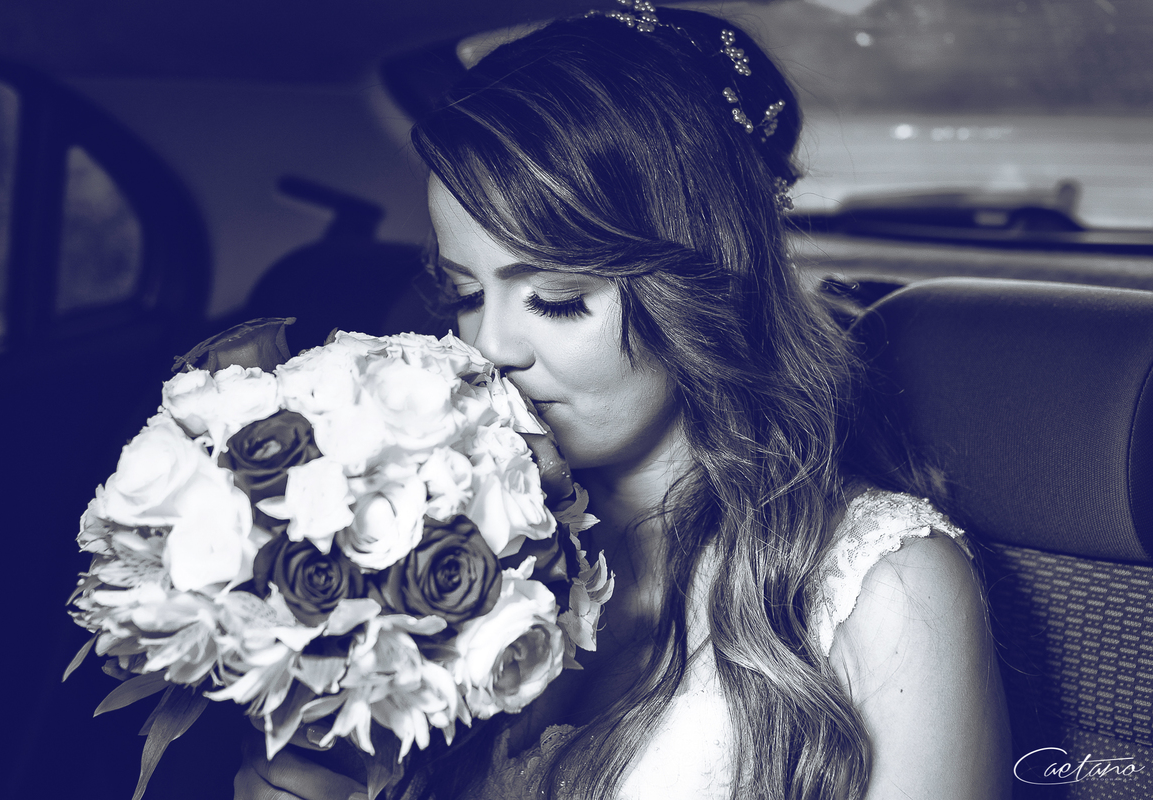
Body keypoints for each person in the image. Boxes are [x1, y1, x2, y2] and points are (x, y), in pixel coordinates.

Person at [236, 5, 1011, 799]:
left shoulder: (887, 590)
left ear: (701, 286)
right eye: (466, 294)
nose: (489, 346)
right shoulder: (447, 548)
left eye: (557, 298)